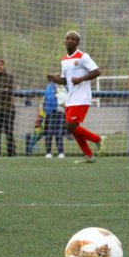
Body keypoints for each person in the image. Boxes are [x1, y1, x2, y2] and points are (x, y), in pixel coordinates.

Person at [46, 30, 103, 163]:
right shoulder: (64, 60)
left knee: (70, 126)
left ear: (77, 43)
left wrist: (81, 79)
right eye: (68, 38)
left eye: (73, 39)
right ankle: (89, 155)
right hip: (71, 98)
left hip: (82, 97)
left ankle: (98, 139)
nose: (69, 41)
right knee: (73, 129)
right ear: (65, 41)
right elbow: (65, 80)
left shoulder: (83, 56)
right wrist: (54, 79)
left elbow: (96, 71)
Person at [41, 79, 66, 158]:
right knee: (50, 132)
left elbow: (66, 97)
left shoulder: (64, 88)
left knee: (59, 133)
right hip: (51, 112)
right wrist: (60, 102)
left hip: (61, 112)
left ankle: (60, 152)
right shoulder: (50, 87)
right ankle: (48, 152)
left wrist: (65, 104)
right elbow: (47, 98)